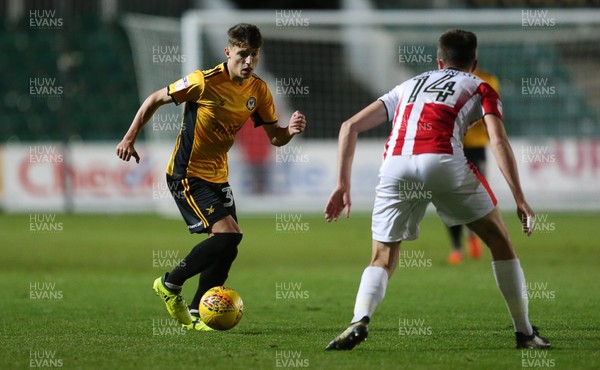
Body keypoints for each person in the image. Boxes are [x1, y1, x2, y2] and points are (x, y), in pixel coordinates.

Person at [324, 29, 549, 350]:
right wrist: (520, 198)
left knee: (382, 257)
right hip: (443, 160)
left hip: (395, 166)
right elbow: (497, 140)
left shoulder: (409, 85)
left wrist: (342, 184)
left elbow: (350, 126)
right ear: (475, 62)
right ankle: (525, 333)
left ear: (439, 61)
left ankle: (358, 319)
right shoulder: (481, 86)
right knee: (500, 241)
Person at [116, 23, 306, 330]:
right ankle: (170, 283)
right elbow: (153, 99)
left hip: (218, 176)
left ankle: (196, 312)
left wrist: (290, 131)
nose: (248, 62)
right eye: (242, 54)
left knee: (229, 245)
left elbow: (275, 138)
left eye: (254, 55)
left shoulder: (258, 90)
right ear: (228, 51)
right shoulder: (202, 82)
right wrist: (129, 138)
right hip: (187, 174)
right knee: (230, 234)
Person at [447, 68, 500, 264]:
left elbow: (490, 112)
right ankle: (456, 248)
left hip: (476, 147)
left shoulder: (488, 80)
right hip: (453, 146)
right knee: (451, 197)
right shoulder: (448, 82)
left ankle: (472, 235)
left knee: (474, 194)